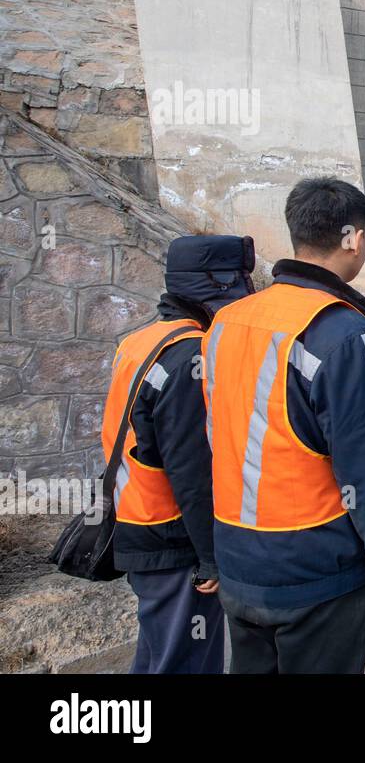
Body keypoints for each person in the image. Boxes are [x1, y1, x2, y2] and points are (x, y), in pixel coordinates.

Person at [203, 177, 365, 673]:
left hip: (240, 565)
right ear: (353, 239)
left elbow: (215, 439)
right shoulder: (343, 334)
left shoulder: (228, 323)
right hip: (317, 578)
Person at [106, 234, 255, 673]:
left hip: (137, 520)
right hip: (172, 536)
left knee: (159, 654)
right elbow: (190, 469)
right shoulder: (191, 354)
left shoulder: (144, 340)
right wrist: (210, 556)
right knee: (186, 660)